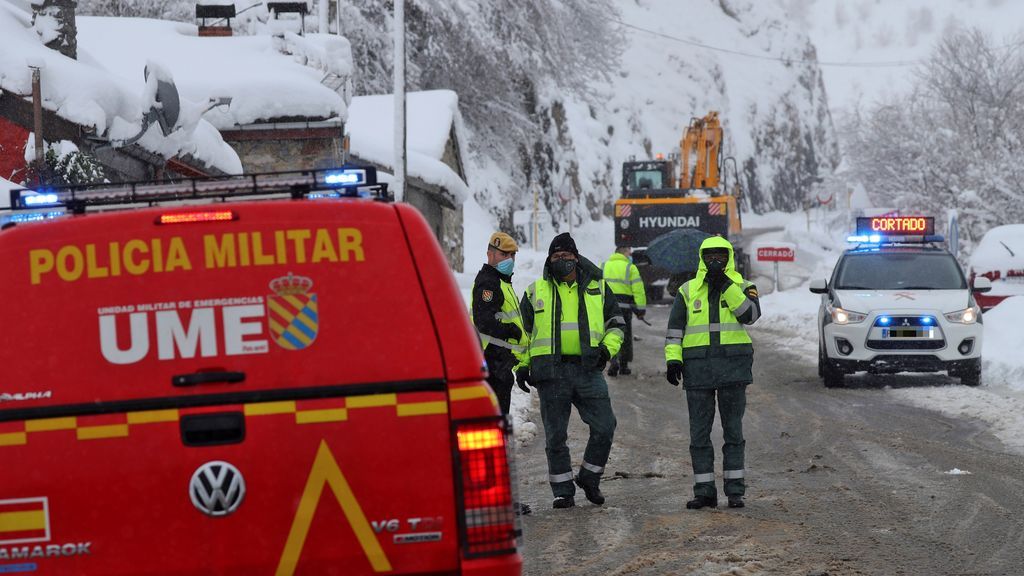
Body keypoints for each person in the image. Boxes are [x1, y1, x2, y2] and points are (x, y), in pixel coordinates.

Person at [516, 233, 625, 509]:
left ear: (576, 258)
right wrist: (522, 365)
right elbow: (521, 336)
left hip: (587, 369)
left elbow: (616, 323)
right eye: (556, 257)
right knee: (555, 436)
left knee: (605, 426)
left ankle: (590, 476)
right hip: (550, 373)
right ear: (549, 260)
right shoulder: (534, 291)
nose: (561, 261)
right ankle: (563, 491)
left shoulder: (598, 287)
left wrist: (606, 350)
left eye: (566, 256)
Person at [664, 236, 761, 510]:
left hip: (733, 370)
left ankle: (735, 491)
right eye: (709, 255)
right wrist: (673, 361)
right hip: (698, 371)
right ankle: (704, 491)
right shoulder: (687, 291)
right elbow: (674, 332)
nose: (715, 260)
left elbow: (750, 315)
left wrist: (727, 287)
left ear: (729, 256)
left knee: (733, 432)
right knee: (699, 435)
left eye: (720, 255)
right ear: (701, 258)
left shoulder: (744, 286)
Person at [471, 232, 532, 516]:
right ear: (491, 254)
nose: (510, 260)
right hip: (492, 366)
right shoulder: (488, 282)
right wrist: (512, 331)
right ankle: (495, 499)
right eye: (505, 255)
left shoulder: (501, 282)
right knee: (494, 436)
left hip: (501, 367)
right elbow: (486, 320)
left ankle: (498, 497)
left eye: (512, 256)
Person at [602, 246, 647, 376]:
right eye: (629, 252)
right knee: (624, 336)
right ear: (623, 253)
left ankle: (613, 361)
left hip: (607, 307)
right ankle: (623, 366)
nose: (630, 255)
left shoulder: (603, 266)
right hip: (624, 308)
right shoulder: (630, 268)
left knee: (610, 333)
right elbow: (638, 290)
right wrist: (641, 310)